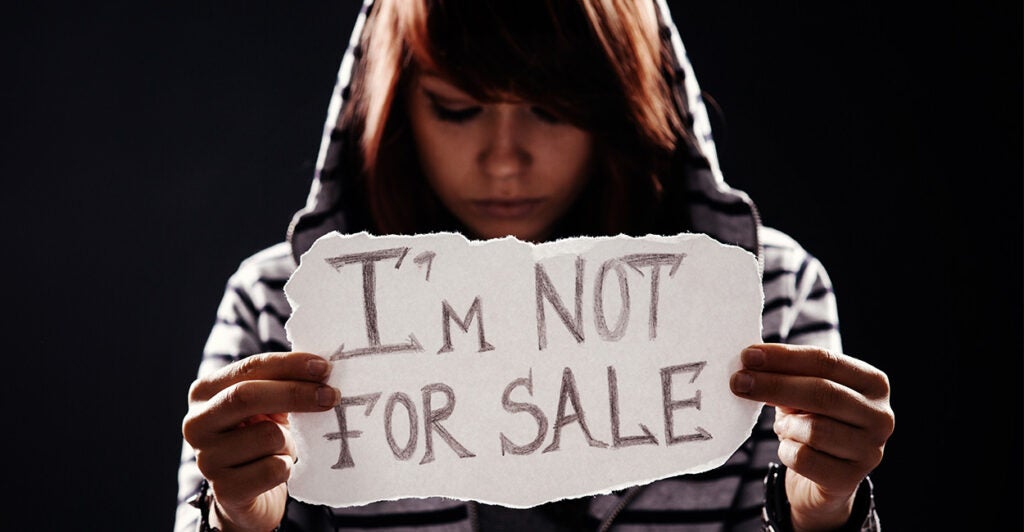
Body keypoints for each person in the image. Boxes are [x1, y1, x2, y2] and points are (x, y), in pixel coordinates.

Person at [176, 0, 895, 530]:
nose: (504, 160)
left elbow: (815, 506)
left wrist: (823, 514)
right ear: (393, 104)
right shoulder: (278, 307)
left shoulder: (771, 296)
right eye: (457, 110)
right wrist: (236, 521)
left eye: (551, 110)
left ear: (622, 100)